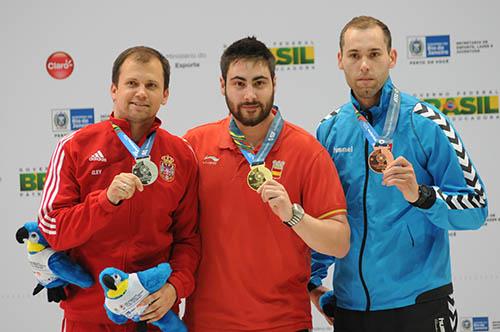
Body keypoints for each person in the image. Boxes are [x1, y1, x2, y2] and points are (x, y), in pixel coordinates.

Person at [309, 16, 488, 332]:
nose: (364, 65)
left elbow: (475, 208)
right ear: (340, 61)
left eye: (374, 54)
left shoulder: (427, 123)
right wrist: (312, 281)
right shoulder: (329, 130)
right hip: (352, 309)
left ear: (391, 57)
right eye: (354, 55)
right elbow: (322, 216)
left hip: (419, 303)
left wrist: (421, 195)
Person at [182, 36, 350, 332]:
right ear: (222, 85)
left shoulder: (306, 151)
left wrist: (292, 215)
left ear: (274, 82)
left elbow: (339, 242)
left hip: (284, 323)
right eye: (239, 83)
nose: (249, 95)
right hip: (208, 324)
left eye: (259, 83)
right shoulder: (195, 146)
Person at [37, 46, 200, 332]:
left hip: (153, 315)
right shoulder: (75, 147)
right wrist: (105, 201)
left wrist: (175, 288)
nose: (141, 93)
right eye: (132, 83)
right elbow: (54, 231)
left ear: (165, 95)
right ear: (114, 89)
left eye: (151, 85)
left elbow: (188, 239)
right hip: (88, 317)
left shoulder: (181, 155)